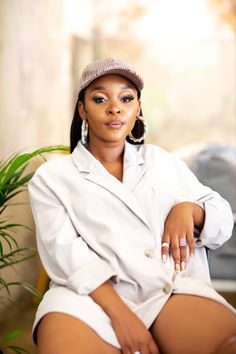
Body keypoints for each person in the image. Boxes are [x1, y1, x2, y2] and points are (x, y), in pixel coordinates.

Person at [28, 58, 236, 354]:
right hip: (88, 298)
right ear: (83, 110)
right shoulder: (52, 178)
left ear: (137, 108)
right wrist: (122, 316)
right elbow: (66, 255)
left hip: (168, 290)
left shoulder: (162, 162)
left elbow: (223, 218)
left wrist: (190, 210)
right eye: (100, 99)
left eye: (126, 98)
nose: (115, 108)